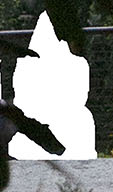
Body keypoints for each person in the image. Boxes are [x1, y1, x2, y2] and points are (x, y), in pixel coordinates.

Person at [8, 12, 97, 164]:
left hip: (46, 116)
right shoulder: (78, 64)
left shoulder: (25, 64)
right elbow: (81, 95)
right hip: (51, 116)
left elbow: (20, 93)